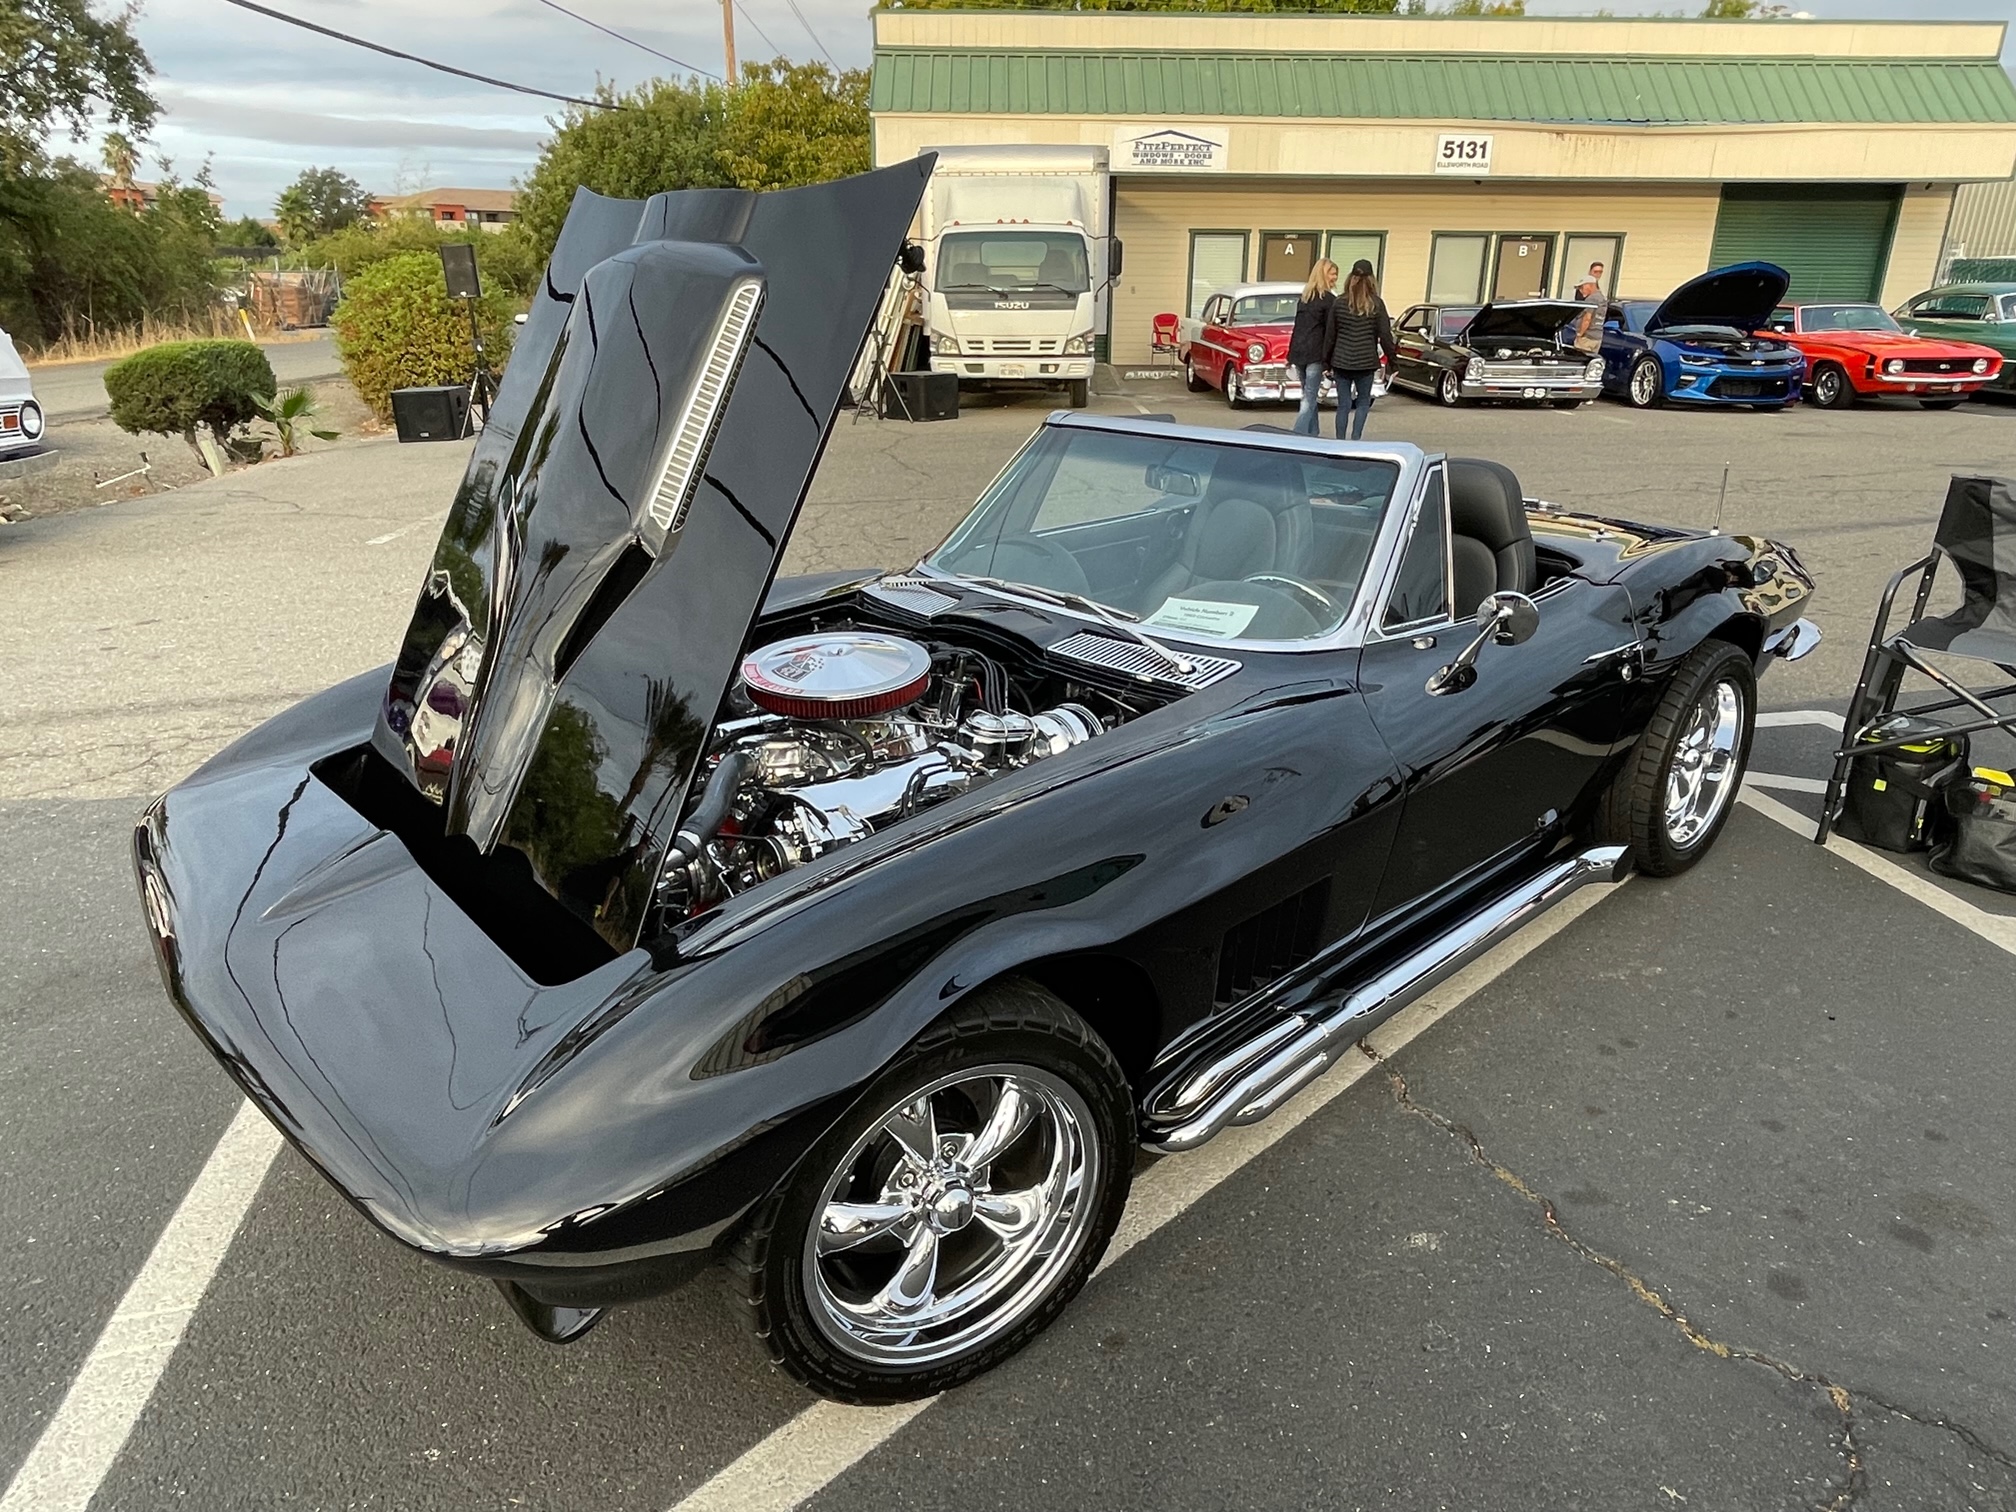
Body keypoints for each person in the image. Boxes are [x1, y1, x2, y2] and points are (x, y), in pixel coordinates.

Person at [1329, 259, 1397, 441]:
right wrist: (1393, 361)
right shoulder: (1377, 304)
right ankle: (1356, 438)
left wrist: (1326, 362)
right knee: (1363, 403)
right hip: (1366, 362)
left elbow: (1330, 335)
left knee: (1343, 405)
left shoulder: (1339, 303)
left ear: (1351, 277)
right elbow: (1385, 336)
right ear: (1371, 279)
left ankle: (1339, 441)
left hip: (1341, 360)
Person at [1288, 259, 1338, 436]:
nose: (1335, 278)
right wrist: (1329, 359)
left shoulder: (1304, 298)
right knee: (1309, 397)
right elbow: (1330, 333)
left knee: (1308, 394)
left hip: (1299, 351)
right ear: (1324, 274)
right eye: (1333, 273)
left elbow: (1297, 327)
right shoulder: (1330, 300)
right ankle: (1298, 433)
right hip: (1316, 353)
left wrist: (1290, 355)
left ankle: (1313, 434)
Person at [1571, 261, 1607, 354]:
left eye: (1581, 287)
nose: (1580, 290)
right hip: (1597, 337)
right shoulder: (1601, 297)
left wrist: (1580, 334)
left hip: (1587, 337)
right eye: (1596, 272)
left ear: (1589, 285)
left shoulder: (1591, 298)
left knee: (1580, 361)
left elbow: (1587, 318)